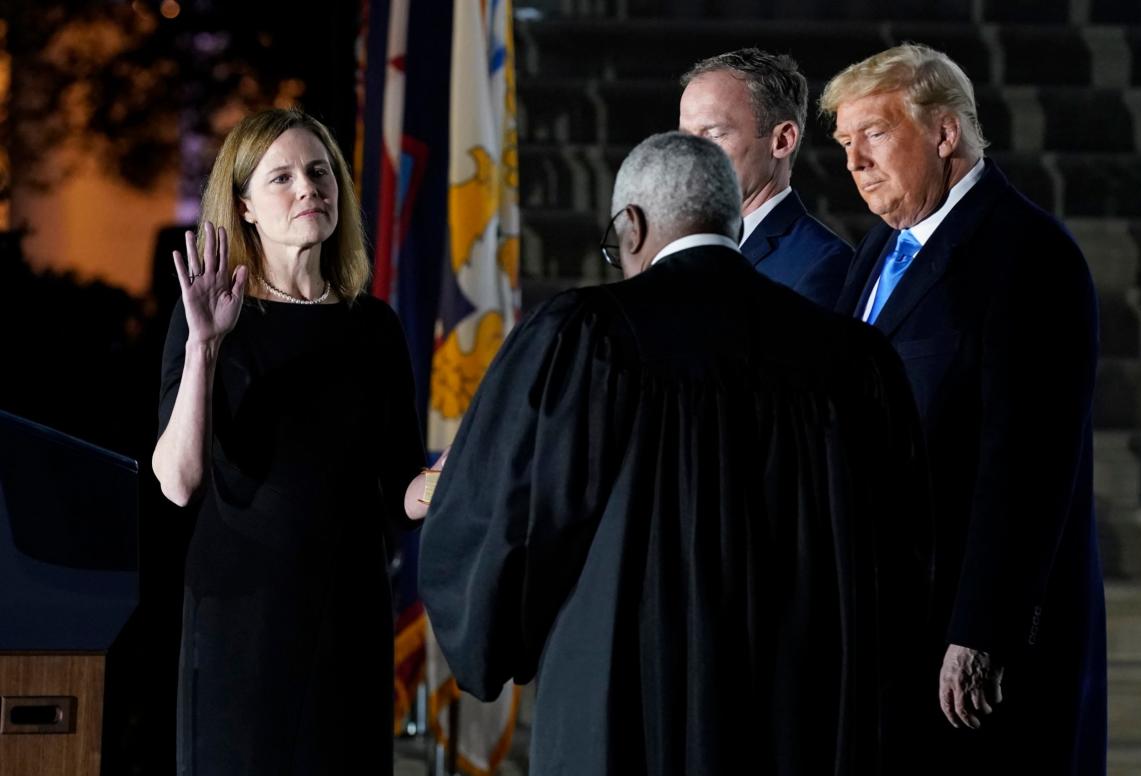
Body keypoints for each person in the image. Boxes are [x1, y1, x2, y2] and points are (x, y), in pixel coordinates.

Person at [417, 132, 931, 775]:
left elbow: (515, 521)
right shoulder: (853, 357)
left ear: (630, 227)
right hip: (799, 712)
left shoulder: (588, 336)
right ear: (734, 220)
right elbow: (903, 556)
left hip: (626, 704)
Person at [822, 44, 1107, 774]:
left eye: (874, 135)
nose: (855, 162)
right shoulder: (876, 252)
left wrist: (982, 629)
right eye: (845, 144)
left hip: (967, 643)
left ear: (945, 133)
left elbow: (1029, 460)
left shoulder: (1027, 253)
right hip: (888, 624)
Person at [151, 108, 434, 775]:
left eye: (319, 170)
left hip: (349, 617)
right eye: (281, 177)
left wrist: (457, 472)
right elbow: (178, 480)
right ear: (244, 206)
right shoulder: (214, 316)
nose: (309, 187)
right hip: (241, 622)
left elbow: (401, 494)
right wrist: (203, 348)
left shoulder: (374, 327)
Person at [679, 48, 853, 310]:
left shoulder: (822, 264)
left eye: (714, 134)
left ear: (782, 140)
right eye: (685, 136)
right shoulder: (680, 251)